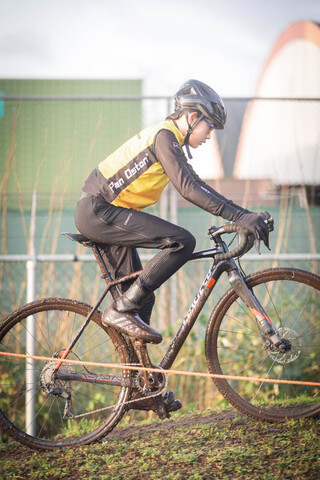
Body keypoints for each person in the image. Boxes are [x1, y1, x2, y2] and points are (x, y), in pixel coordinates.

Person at [75, 79, 273, 410]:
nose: (211, 134)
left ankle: (141, 388)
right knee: (181, 240)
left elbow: (194, 182)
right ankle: (120, 310)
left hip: (109, 212)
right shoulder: (164, 137)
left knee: (143, 298)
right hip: (98, 210)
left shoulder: (170, 143)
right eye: (210, 125)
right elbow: (188, 188)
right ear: (192, 116)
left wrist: (243, 214)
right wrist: (241, 216)